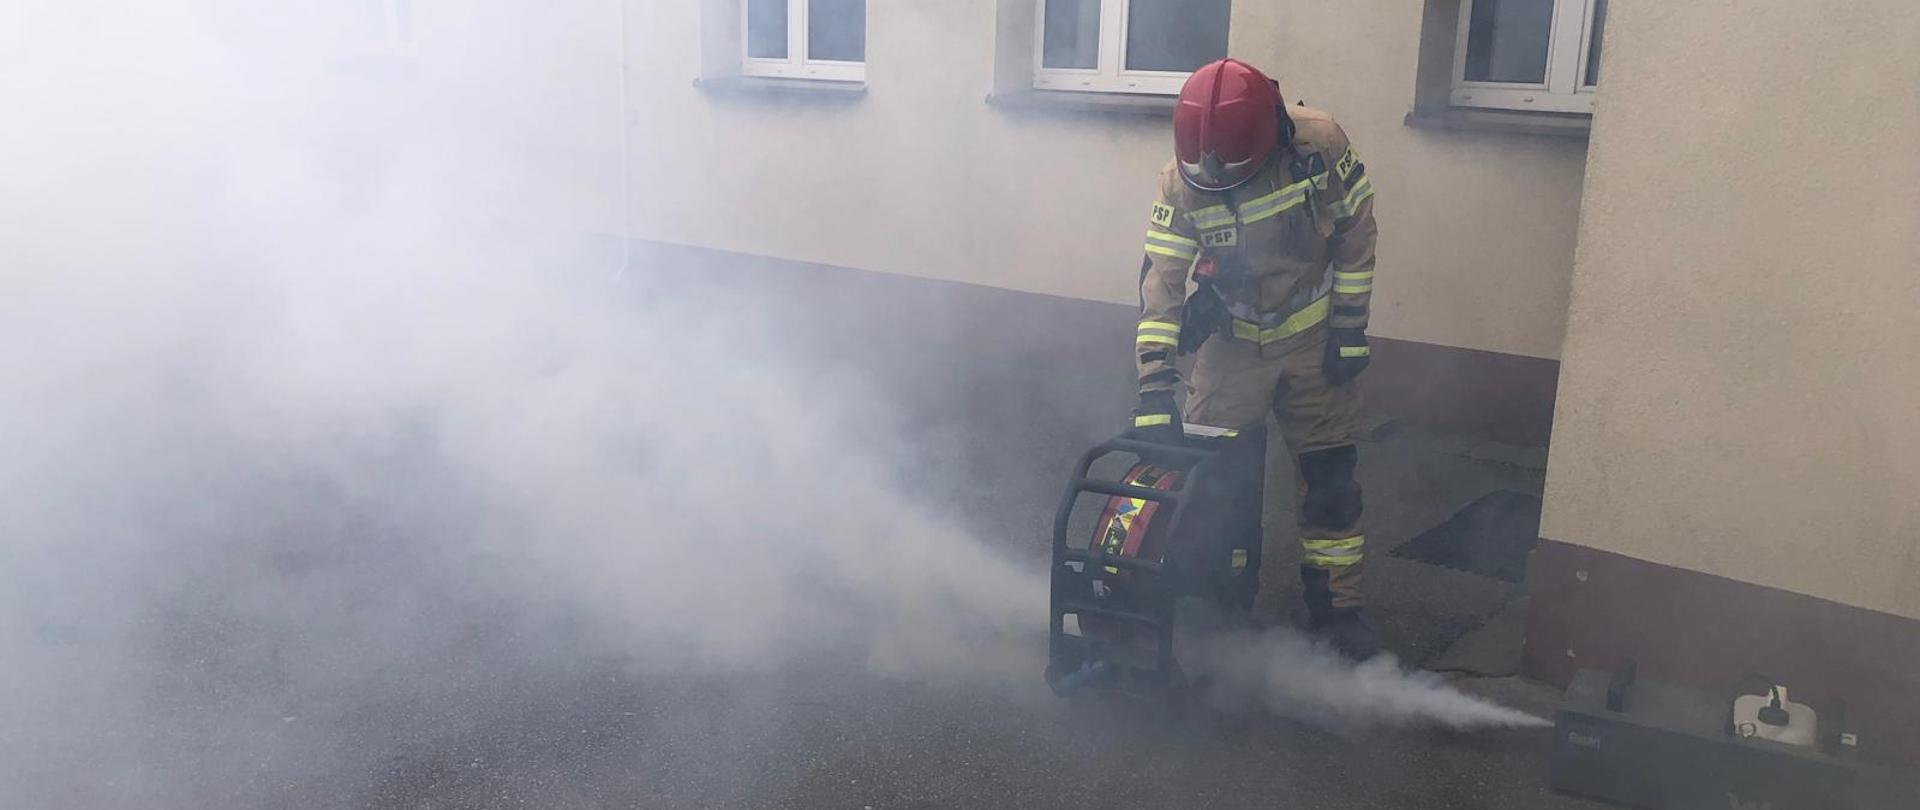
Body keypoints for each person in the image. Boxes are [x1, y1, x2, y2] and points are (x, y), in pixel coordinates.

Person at [1130, 58, 1381, 660]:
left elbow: (1357, 234)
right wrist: (1154, 387)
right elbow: (1161, 286)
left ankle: (1336, 609)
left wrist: (1349, 329)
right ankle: (1219, 599)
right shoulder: (1180, 183)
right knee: (1214, 479)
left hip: (1314, 339)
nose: (1218, 182)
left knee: (1330, 483)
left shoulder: (1319, 144)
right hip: (1233, 346)